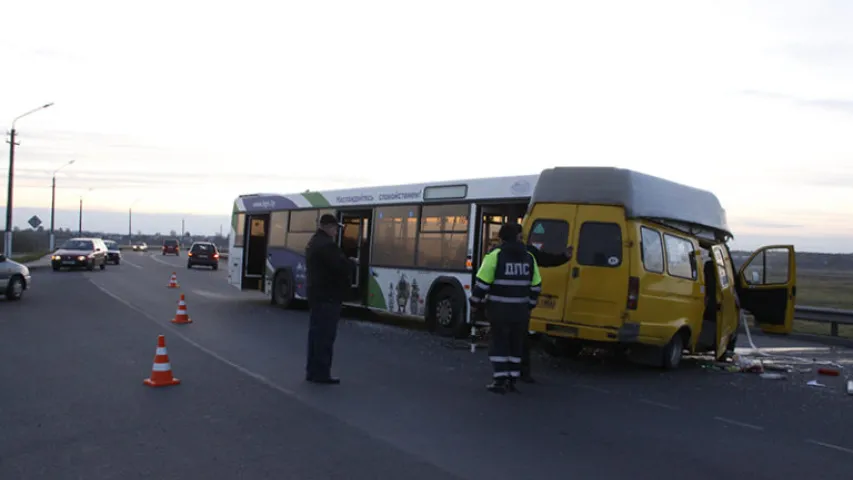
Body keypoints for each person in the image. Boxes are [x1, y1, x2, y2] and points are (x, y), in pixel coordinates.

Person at [469, 222, 542, 394]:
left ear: (502, 237)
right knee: (515, 346)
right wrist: (528, 306)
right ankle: (512, 379)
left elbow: (482, 285)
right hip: (520, 313)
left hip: (499, 311)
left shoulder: (495, 256)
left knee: (499, 344)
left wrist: (474, 304)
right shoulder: (529, 257)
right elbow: (536, 285)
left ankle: (499, 380)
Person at [304, 213, 354, 385]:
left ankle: (312, 371)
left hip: (317, 295)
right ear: (326, 227)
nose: (336, 231)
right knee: (325, 337)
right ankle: (322, 373)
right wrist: (351, 263)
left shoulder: (313, 242)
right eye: (334, 228)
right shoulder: (327, 246)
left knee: (315, 335)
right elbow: (340, 267)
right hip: (328, 297)